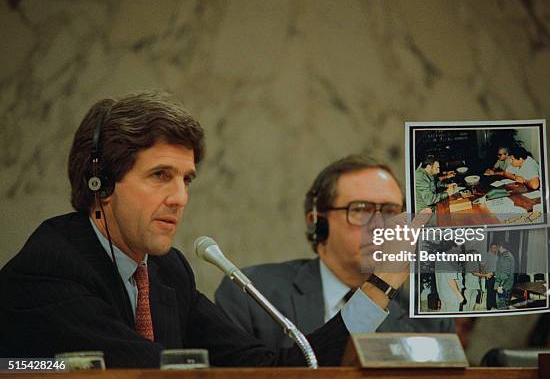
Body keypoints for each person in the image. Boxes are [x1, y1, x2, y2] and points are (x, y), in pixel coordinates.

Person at [0, 91, 412, 368]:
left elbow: (272, 369)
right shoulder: (53, 265)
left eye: (187, 179)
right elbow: (147, 371)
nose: (180, 197)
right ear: (102, 183)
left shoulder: (168, 272)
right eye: (161, 175)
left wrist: (378, 288)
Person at [215, 156, 454, 348]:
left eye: (391, 211)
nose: (381, 225)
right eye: (361, 209)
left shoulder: (428, 314)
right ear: (318, 223)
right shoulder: (252, 295)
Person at [494, 242, 515, 310]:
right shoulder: (509, 255)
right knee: (504, 305)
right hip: (507, 285)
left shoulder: (505, 256)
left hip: (504, 287)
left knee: (501, 306)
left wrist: (501, 286)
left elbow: (506, 273)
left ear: (501, 247)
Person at [483, 243, 498, 310]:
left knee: (495, 291)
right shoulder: (487, 255)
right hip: (489, 276)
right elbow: (482, 265)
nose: (494, 249)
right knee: (489, 292)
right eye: (493, 247)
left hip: (496, 276)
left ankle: (494, 304)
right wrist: (486, 273)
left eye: (495, 247)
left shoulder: (497, 256)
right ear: (490, 248)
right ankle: (488, 306)